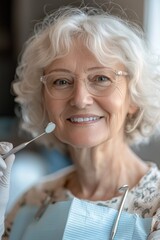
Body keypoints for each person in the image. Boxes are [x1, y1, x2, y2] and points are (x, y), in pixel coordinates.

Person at [1, 4, 160, 240]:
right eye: (61, 82)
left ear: (133, 97)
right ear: (43, 100)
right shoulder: (33, 198)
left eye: (101, 78)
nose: (80, 99)